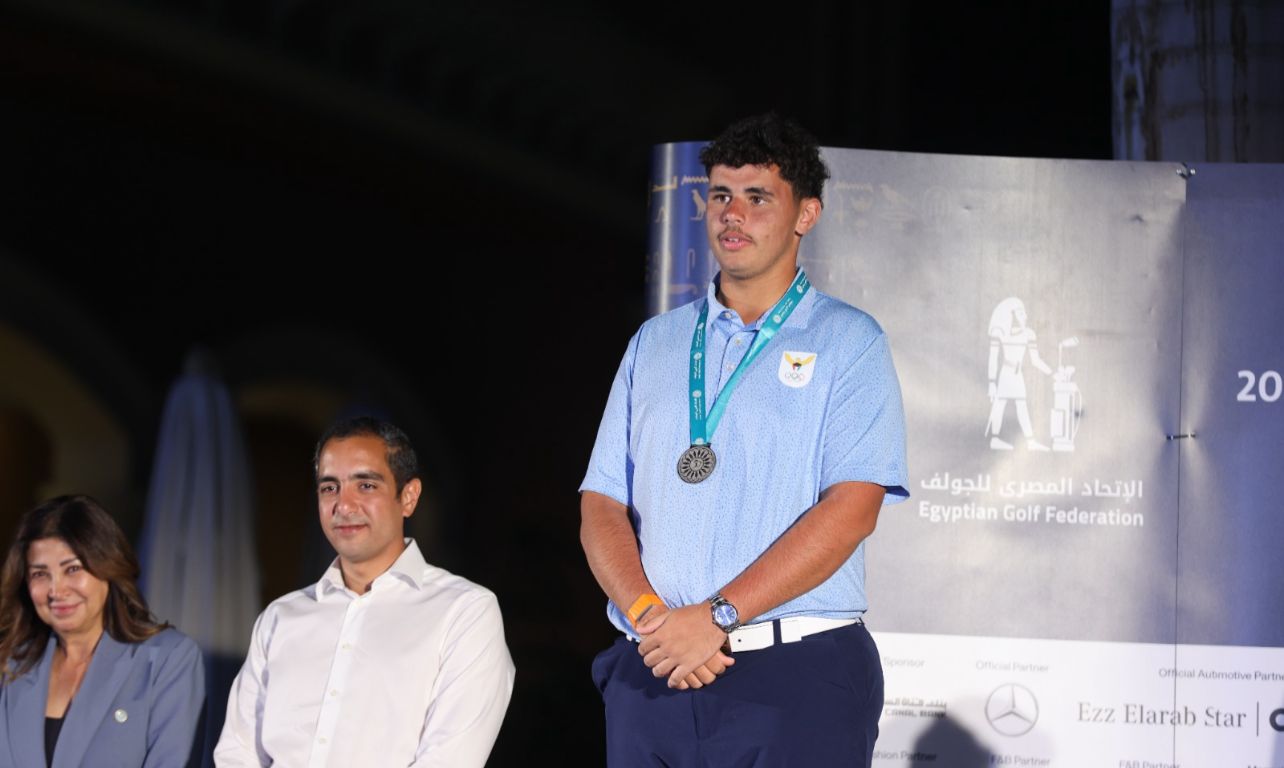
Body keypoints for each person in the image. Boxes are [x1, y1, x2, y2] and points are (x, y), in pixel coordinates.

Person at [580, 113, 908, 766]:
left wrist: (716, 618)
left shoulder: (849, 340)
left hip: (795, 677)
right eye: (721, 195)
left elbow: (852, 509)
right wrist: (652, 620)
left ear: (805, 213)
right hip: (656, 669)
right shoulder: (656, 342)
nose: (734, 214)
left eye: (758, 197)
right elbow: (602, 503)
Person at [214, 416, 514, 767]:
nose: (344, 505)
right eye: (330, 488)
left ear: (409, 497)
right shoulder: (280, 618)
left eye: (366, 485)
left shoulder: (464, 611)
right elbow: (237, 752)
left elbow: (450, 759)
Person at [0, 495, 205, 768]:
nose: (56, 590)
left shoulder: (168, 659)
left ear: (109, 567)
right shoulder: (12, 665)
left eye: (73, 569)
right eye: (40, 574)